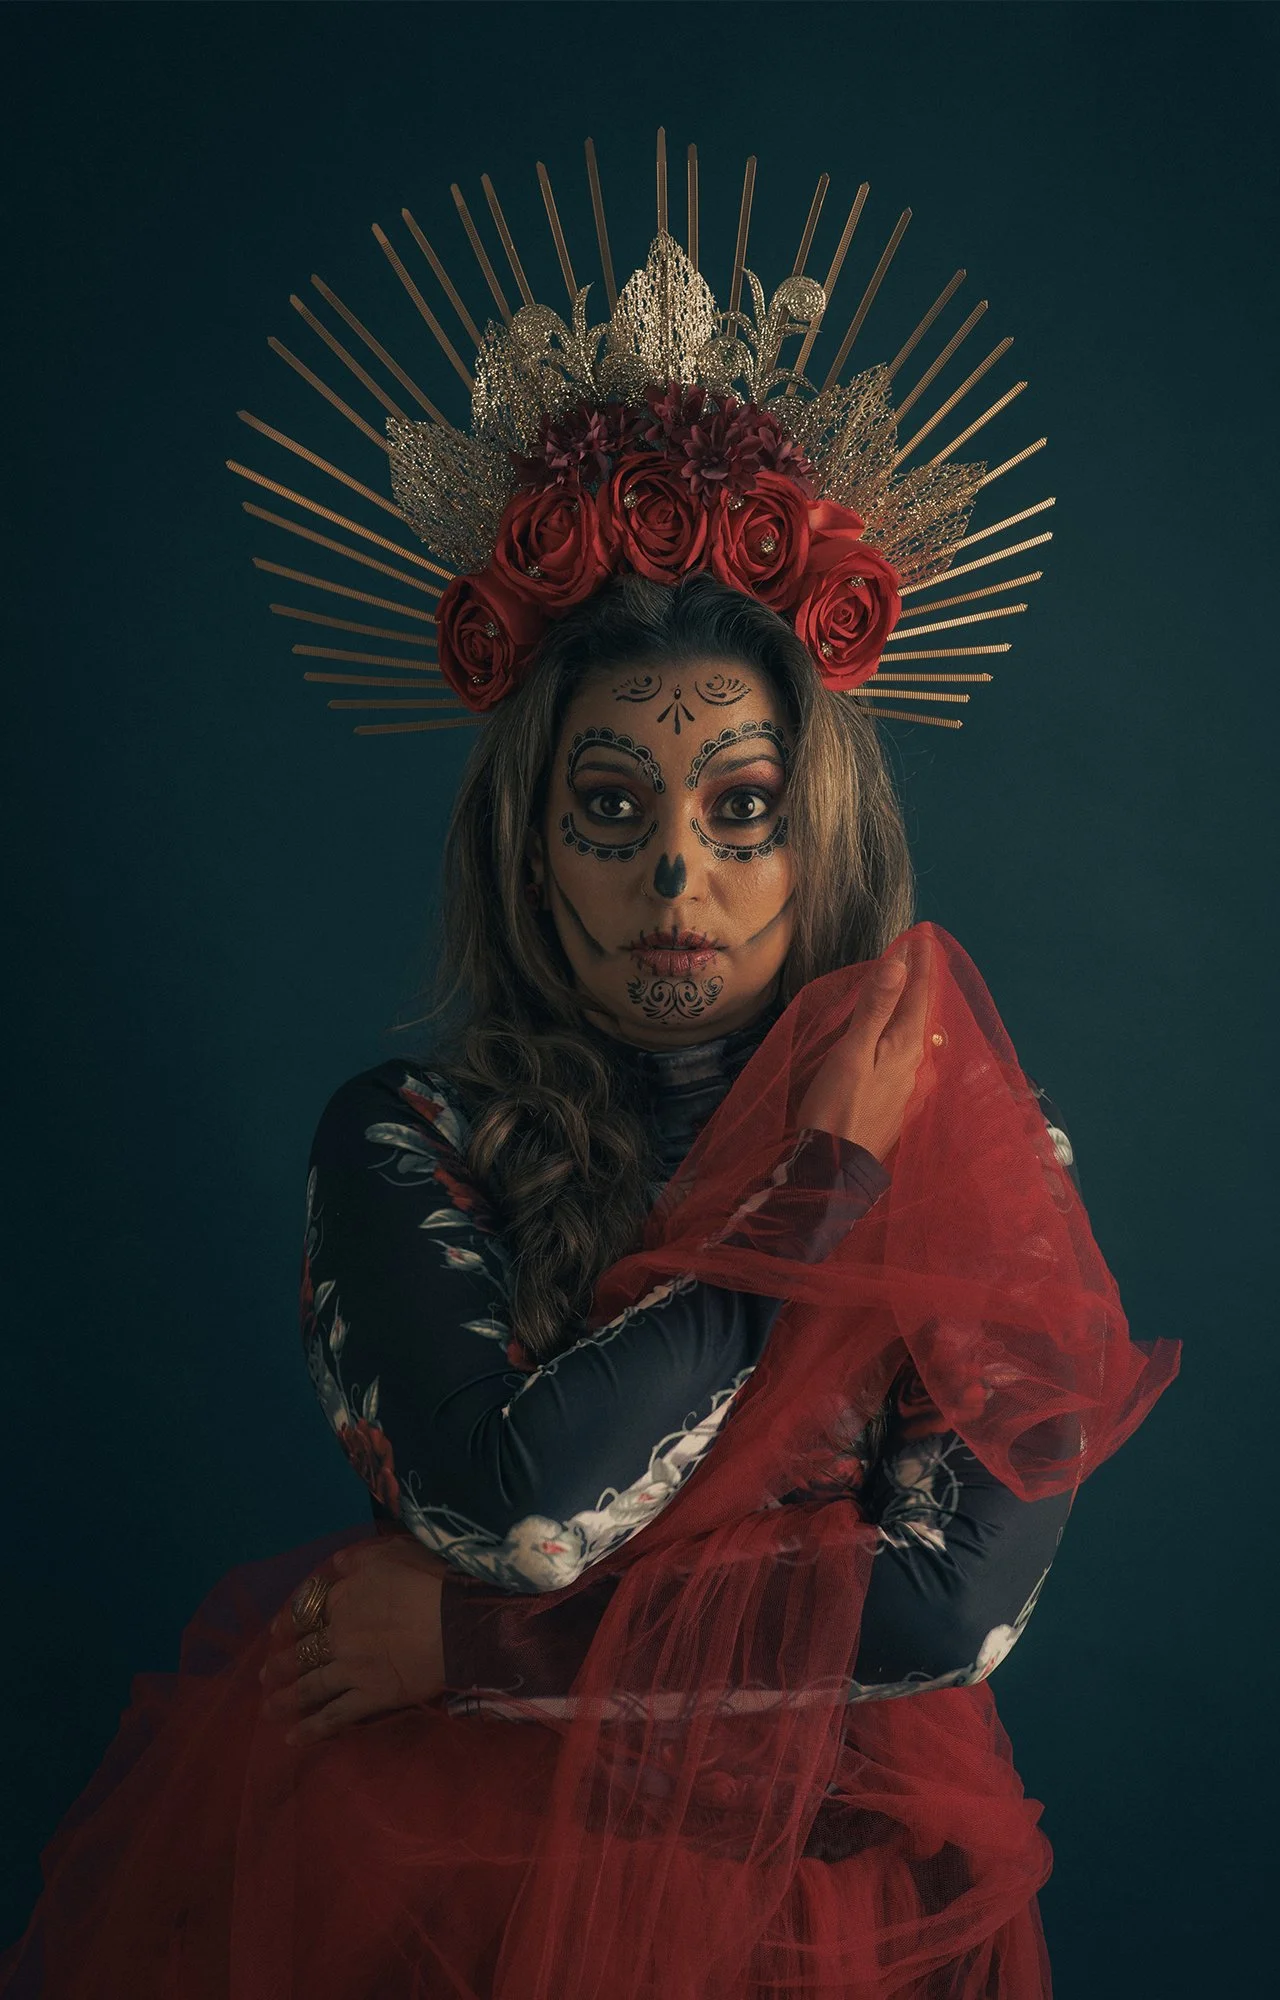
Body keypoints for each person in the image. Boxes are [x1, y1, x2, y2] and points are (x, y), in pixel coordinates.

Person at [1, 156, 1179, 2000]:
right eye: (613, 810)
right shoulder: (412, 1140)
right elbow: (512, 1501)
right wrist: (820, 1199)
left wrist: (481, 1654)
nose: (678, 882)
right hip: (442, 1888)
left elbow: (949, 1614)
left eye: (739, 815)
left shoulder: (974, 1150)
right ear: (530, 844)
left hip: (835, 1904)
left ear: (817, 840)